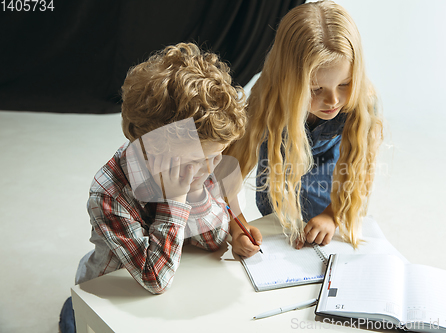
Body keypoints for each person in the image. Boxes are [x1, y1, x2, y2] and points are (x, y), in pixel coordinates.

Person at [59, 42, 248, 332]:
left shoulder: (197, 163)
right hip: (112, 288)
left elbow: (214, 240)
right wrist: (175, 200)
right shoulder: (109, 193)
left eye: (216, 156)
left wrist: (195, 194)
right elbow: (154, 280)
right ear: (150, 150)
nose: (209, 169)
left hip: (171, 275)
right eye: (198, 160)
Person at [224, 0, 383, 257]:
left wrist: (332, 215)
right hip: (276, 213)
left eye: (345, 83)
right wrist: (237, 226)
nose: (332, 101)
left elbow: (358, 171)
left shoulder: (362, 103)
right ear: (288, 80)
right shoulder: (268, 100)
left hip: (329, 204)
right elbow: (227, 172)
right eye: (315, 89)